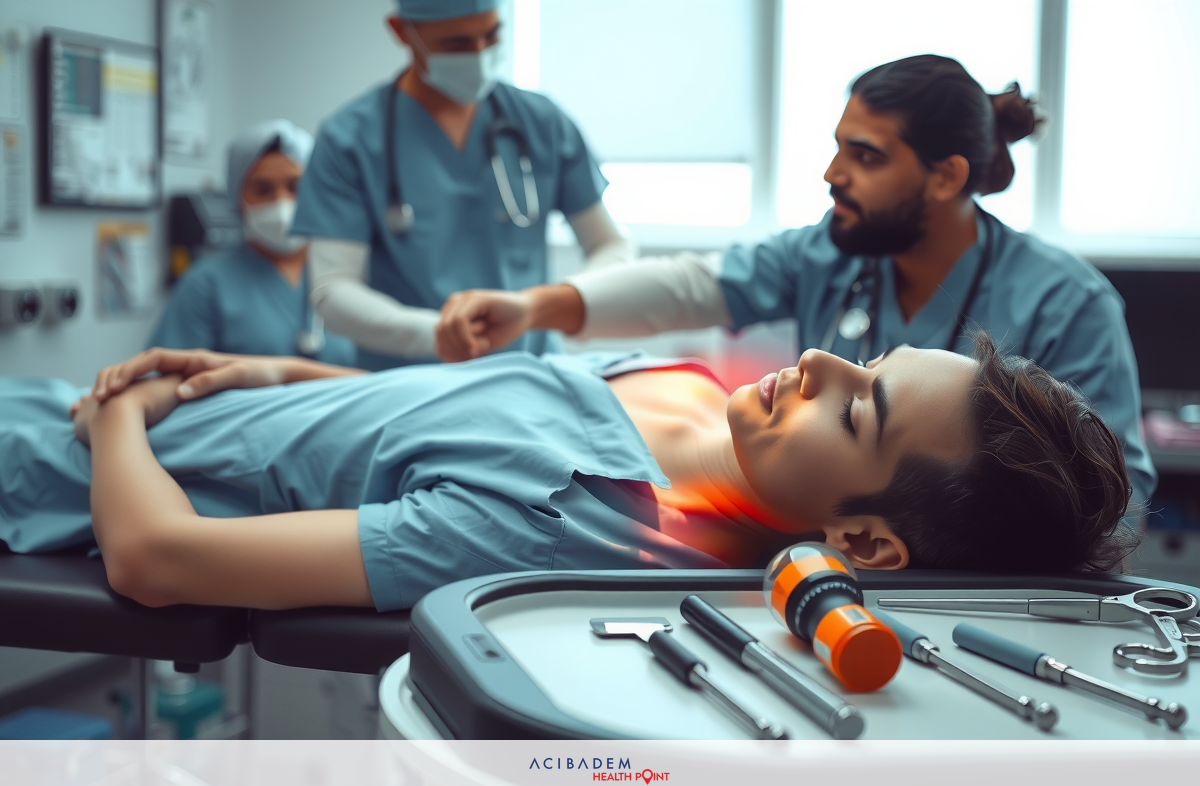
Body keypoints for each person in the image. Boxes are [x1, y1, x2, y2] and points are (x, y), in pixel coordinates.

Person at [434, 54, 1156, 512]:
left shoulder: (1067, 303)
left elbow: (1107, 499)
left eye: (865, 157)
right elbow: (694, 285)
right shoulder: (838, 250)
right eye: (837, 148)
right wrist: (535, 306)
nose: (832, 175)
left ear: (947, 176)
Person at [0, 332, 1133, 612]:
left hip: (45, 474)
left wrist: (123, 414)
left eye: (862, 403)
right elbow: (443, 407)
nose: (824, 361)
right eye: (865, 355)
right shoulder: (689, 382)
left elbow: (156, 558)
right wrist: (280, 369)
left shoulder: (572, 523)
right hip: (91, 411)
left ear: (868, 543)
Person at [291, 0, 634, 371]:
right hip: (411, 379)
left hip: (533, 369)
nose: (479, 55)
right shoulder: (350, 139)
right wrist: (439, 334)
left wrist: (551, 306)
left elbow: (610, 244)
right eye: (456, 44)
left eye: (492, 35)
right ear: (401, 32)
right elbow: (333, 290)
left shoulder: (540, 123)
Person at [147, 120, 356, 366]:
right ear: (237, 198)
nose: (281, 203)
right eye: (262, 189)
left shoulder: (354, 274)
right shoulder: (206, 286)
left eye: (295, 187)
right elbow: (163, 381)